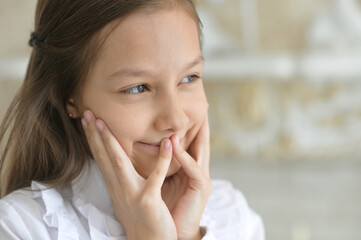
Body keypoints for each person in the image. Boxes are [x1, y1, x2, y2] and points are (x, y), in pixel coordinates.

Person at [0, 0, 265, 239]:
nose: (176, 120)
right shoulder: (21, 227)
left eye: (189, 78)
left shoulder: (234, 217)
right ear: (69, 96)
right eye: (138, 88)